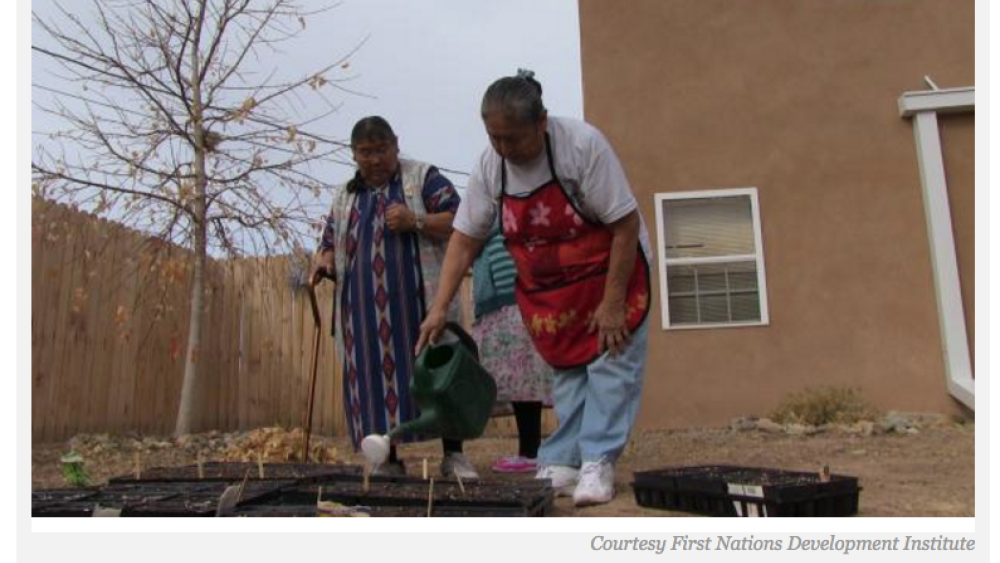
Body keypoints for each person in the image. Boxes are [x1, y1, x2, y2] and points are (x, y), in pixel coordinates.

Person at [416, 71, 651, 507]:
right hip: (553, 286)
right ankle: (563, 459)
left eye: (514, 139)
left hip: (610, 269)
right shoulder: (491, 166)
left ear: (542, 122)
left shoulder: (582, 147)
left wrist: (613, 302)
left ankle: (598, 460)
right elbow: (465, 238)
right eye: (494, 138)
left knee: (609, 362)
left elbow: (625, 223)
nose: (505, 149)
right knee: (566, 367)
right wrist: (439, 307)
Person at [311, 116, 478, 479]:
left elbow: (461, 221)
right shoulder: (344, 196)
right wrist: (324, 263)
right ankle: (386, 459)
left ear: (396, 145)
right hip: (362, 316)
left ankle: (454, 457)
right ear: (353, 154)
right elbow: (328, 243)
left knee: (439, 374)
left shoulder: (422, 177)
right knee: (371, 383)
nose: (374, 159)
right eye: (365, 152)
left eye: (381, 150)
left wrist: (414, 220)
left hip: (421, 308)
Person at [471, 222, 554, 474]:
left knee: (526, 380)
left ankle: (532, 452)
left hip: (519, 302)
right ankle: (530, 451)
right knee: (521, 383)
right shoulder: (487, 224)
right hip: (506, 306)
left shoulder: (504, 216)